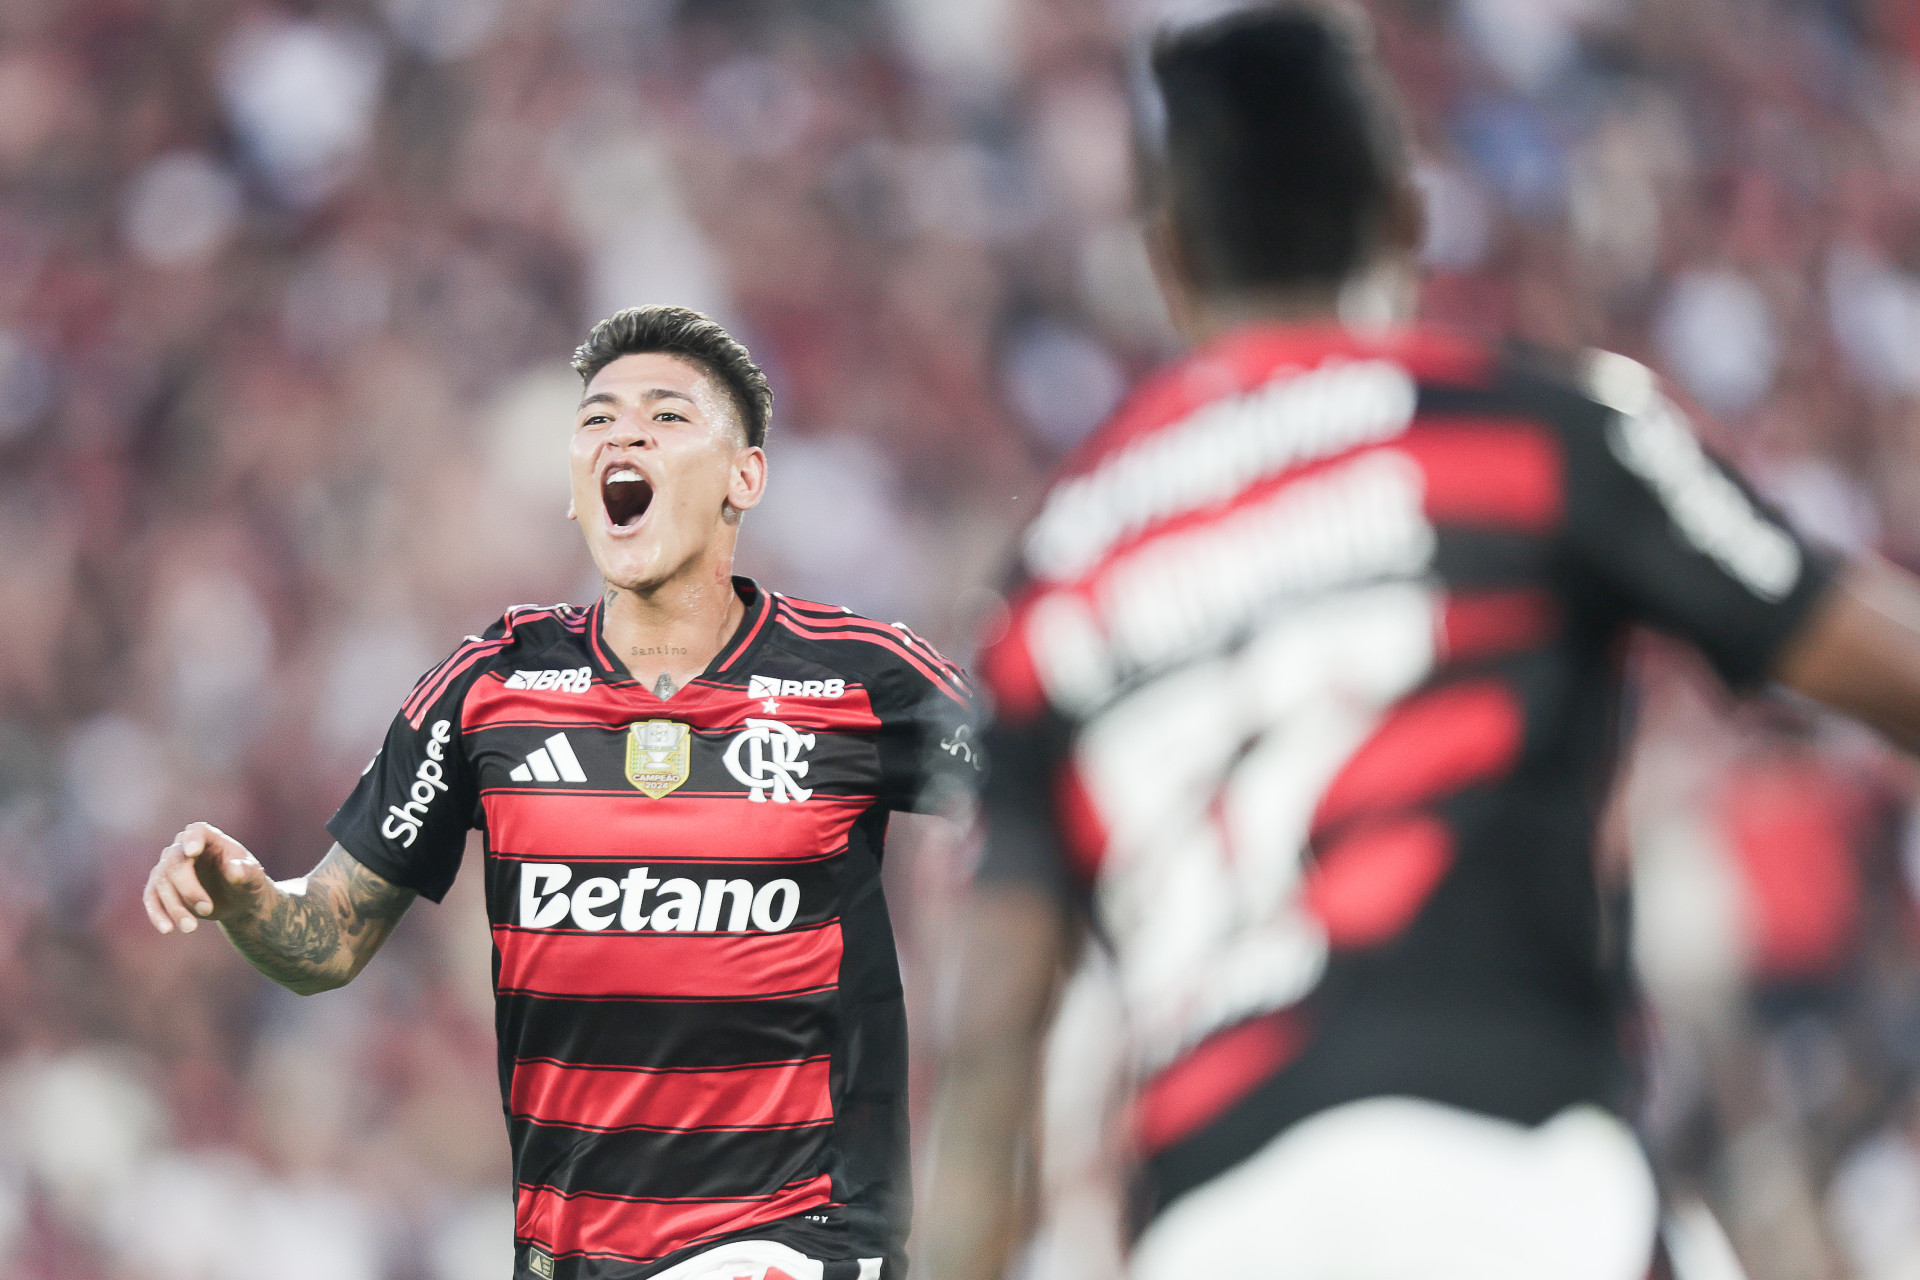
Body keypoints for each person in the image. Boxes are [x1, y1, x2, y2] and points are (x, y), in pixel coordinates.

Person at [918, 8, 1920, 1280]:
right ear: (1404, 212)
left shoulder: (1057, 579)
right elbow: (1870, 656)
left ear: (1170, 260)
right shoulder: (1535, 431)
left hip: (1218, 1230)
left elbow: (991, 1053)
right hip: (1513, 1176)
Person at [141, 305, 978, 1280]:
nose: (623, 437)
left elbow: (1042, 781)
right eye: (598, 420)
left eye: (666, 417)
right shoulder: (490, 687)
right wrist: (246, 896)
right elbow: (323, 940)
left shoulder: (857, 677)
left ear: (743, 478)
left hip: (800, 1240)